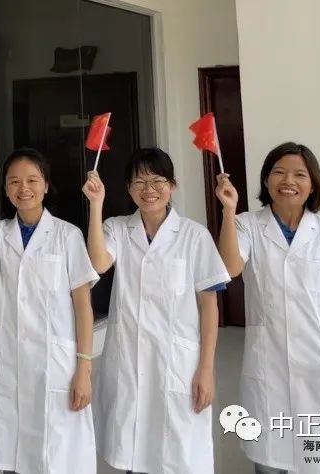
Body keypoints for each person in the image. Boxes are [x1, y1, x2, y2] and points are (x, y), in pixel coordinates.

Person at [217, 142, 320, 474]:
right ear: (266, 180)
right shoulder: (246, 225)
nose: (288, 181)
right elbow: (229, 268)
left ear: (313, 184)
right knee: (270, 464)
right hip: (269, 366)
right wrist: (228, 211)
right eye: (279, 172)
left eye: (299, 174)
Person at [86, 148, 231, 474]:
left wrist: (206, 369)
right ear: (128, 188)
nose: (148, 189)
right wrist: (95, 205)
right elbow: (98, 263)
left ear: (172, 186)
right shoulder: (116, 229)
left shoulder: (194, 236)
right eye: (139, 182)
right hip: (129, 361)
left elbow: (209, 306)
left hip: (178, 363)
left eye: (157, 181)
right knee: (133, 453)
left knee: (178, 456)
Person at [0, 148, 100, 474]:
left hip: (55, 364)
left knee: (53, 457)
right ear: (6, 190)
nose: (24, 188)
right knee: (10, 453)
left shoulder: (67, 235)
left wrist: (84, 368)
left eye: (32, 180)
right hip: (8, 360)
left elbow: (83, 306)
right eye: (15, 182)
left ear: (46, 185)